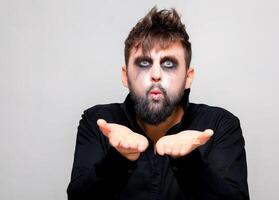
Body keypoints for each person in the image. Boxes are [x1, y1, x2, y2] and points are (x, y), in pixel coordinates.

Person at [67, 7, 249, 200]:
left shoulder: (220, 125)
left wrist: (187, 162)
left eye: (169, 64)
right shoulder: (98, 123)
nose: (156, 75)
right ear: (125, 76)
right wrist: (119, 158)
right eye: (144, 63)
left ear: (188, 77)